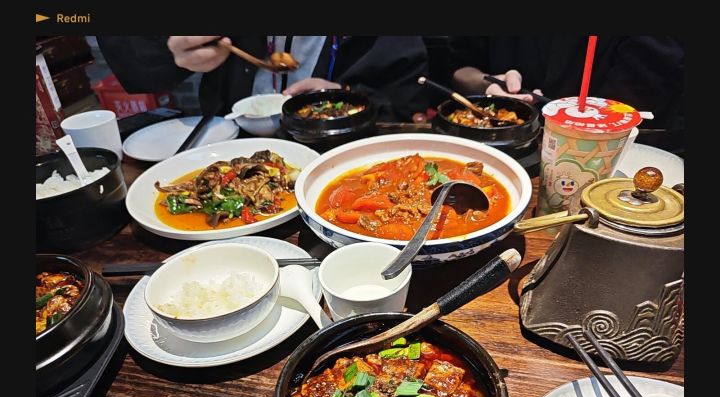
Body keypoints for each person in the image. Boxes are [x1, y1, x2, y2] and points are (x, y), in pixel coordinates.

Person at [96, 36, 429, 121]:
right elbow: (133, 48)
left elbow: (404, 99)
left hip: (337, 153)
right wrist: (169, 45)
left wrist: (349, 96)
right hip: (230, 141)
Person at [448, 36, 684, 129]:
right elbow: (459, 68)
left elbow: (643, 92)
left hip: (625, 152)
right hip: (506, 141)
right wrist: (485, 85)